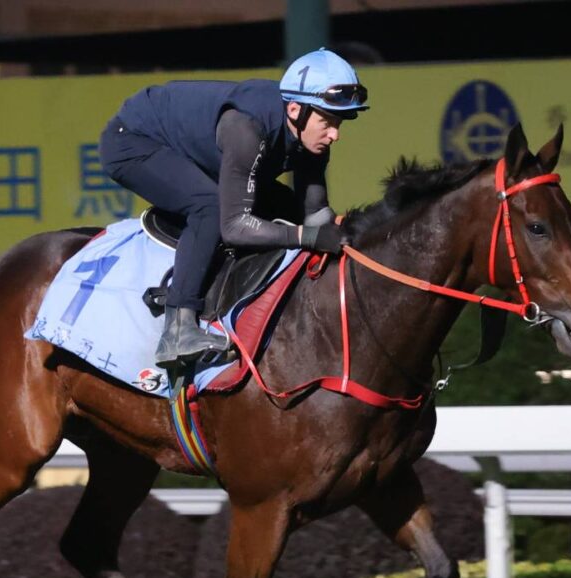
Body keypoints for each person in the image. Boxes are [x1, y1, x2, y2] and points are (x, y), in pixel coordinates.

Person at [99, 48, 369, 368]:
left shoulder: (311, 135)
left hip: (197, 149)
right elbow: (236, 226)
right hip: (133, 141)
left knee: (286, 207)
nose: (335, 134)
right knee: (209, 206)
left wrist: (352, 239)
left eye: (339, 122)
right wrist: (309, 236)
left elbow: (316, 215)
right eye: (327, 120)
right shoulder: (246, 129)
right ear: (295, 110)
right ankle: (178, 328)